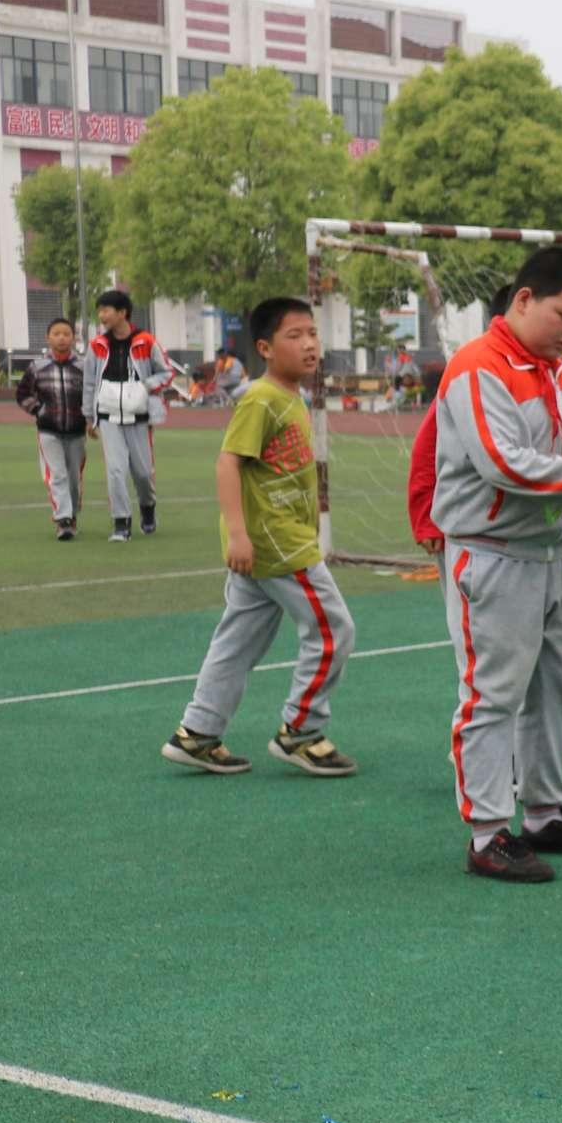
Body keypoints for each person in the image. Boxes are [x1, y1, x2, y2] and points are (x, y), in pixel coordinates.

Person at [430, 245, 562, 884]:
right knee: (492, 695)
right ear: (524, 300)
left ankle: (544, 813)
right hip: (493, 554)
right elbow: (504, 463)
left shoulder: (558, 369)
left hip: (552, 553)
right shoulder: (477, 368)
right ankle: (487, 832)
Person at [163, 296, 359, 778]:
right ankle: (301, 731)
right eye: (295, 336)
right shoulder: (260, 398)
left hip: (273, 542)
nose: (310, 344)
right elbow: (228, 463)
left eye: (312, 333)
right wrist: (237, 535)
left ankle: (198, 733)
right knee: (334, 632)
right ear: (266, 348)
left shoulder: (293, 397)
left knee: (238, 641)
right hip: (275, 544)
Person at [87, 289, 169, 540]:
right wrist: (89, 417)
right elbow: (90, 383)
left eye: (106, 310)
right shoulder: (97, 345)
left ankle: (148, 508)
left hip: (139, 416)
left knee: (143, 473)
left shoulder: (146, 341)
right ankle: (121, 523)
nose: (102, 315)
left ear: (122, 313)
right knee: (115, 470)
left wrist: (145, 386)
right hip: (108, 415)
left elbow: (166, 373)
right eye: (99, 310)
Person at [15, 318, 91, 540]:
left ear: (74, 338)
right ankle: (63, 520)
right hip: (48, 431)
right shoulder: (37, 367)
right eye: (56, 334)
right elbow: (23, 394)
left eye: (66, 334)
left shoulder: (83, 366)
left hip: (77, 432)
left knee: (74, 478)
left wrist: (89, 419)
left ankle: (73, 513)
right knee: (56, 474)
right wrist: (39, 410)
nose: (62, 338)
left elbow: (91, 394)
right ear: (48, 337)